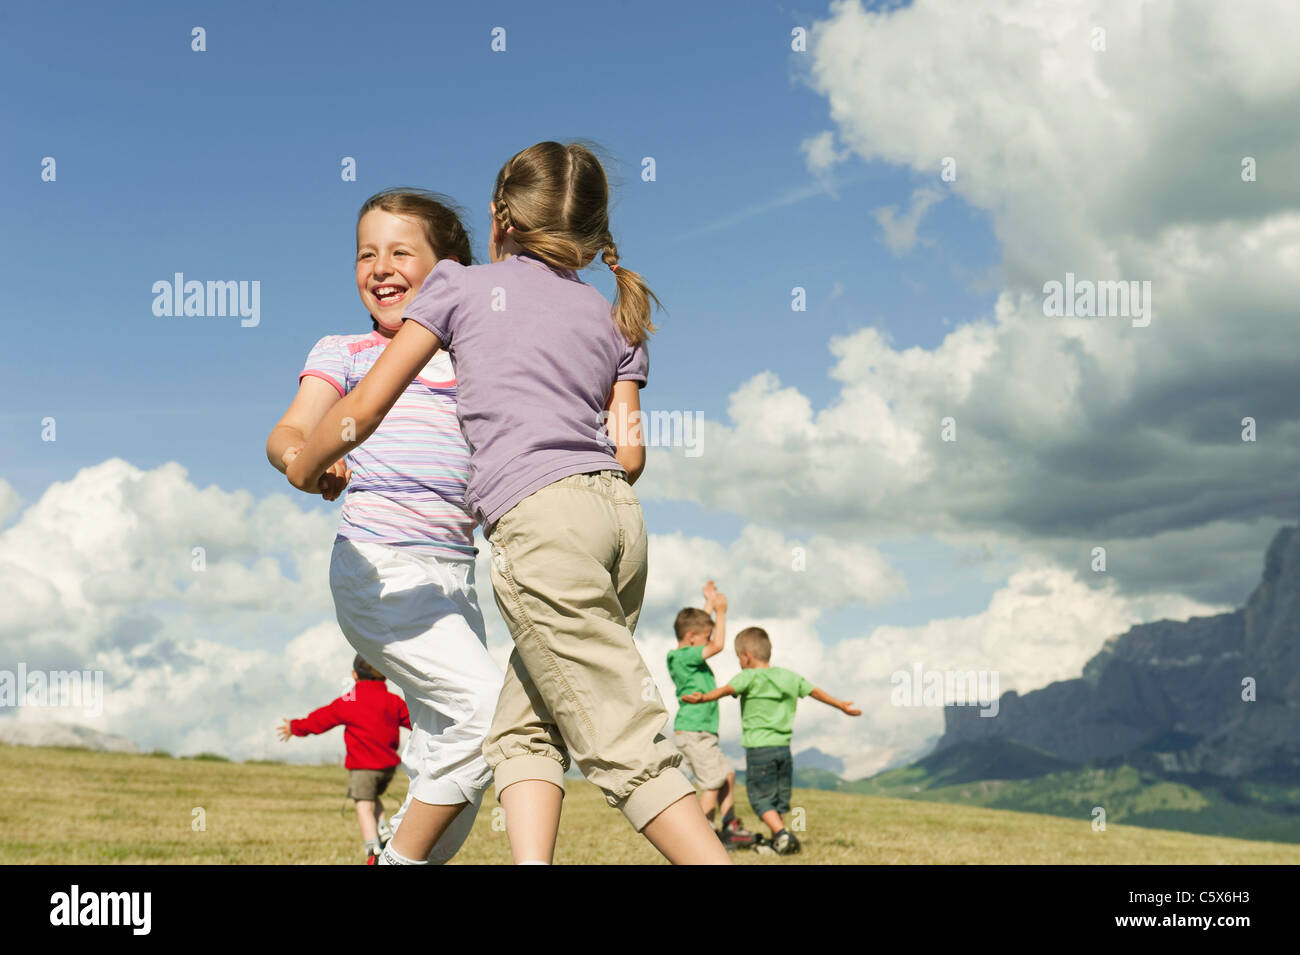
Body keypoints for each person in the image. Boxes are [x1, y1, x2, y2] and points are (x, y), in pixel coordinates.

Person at [287, 141, 730, 865]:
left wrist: (306, 463)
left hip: (542, 523)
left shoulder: (460, 291)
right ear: (592, 232)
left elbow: (363, 407)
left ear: (501, 218)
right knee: (526, 725)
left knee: (622, 741)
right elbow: (631, 454)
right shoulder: (615, 314)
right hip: (617, 520)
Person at [268, 189, 503, 865]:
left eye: (401, 251)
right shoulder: (346, 351)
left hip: (456, 578)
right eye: (366, 253)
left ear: (449, 268)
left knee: (452, 752)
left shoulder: (473, 363)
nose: (380, 266)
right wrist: (307, 462)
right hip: (379, 566)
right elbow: (288, 431)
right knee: (488, 714)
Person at [681, 627, 861, 855]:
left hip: (759, 750)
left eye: (738, 657)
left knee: (759, 799)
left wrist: (704, 697)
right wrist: (840, 705)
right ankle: (780, 838)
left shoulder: (749, 676)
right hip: (783, 750)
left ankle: (782, 835)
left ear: (746, 656)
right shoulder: (788, 676)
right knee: (778, 798)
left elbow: (726, 690)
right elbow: (814, 691)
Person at [278, 655, 410, 861]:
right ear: (385, 676)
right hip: (388, 768)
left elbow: (321, 719)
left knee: (363, 805)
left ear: (354, 675)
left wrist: (295, 727)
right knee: (372, 797)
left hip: (363, 767)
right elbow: (415, 721)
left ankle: (373, 851)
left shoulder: (350, 700)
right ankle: (383, 829)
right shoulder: (394, 701)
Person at [667, 581, 756, 848]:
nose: (708, 642)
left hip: (702, 731)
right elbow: (717, 644)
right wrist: (722, 611)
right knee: (713, 781)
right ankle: (701, 836)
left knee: (726, 774)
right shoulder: (683, 657)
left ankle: (728, 825)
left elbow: (701, 629)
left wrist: (707, 602)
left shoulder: (685, 653)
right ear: (692, 637)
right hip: (694, 731)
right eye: (704, 637)